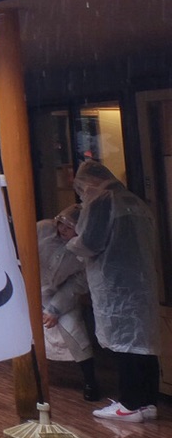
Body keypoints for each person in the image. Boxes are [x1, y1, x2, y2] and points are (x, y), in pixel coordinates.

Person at [67, 160, 161, 422]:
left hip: (115, 283)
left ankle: (128, 404)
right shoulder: (134, 201)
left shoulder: (103, 201)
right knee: (143, 343)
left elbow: (90, 242)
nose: (83, 192)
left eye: (82, 187)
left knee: (124, 344)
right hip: (141, 281)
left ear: (91, 182)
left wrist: (71, 244)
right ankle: (148, 403)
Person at [38, 205, 98, 401]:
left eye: (69, 227)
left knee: (75, 333)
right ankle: (34, 376)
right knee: (27, 336)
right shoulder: (43, 230)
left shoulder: (83, 250)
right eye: (62, 225)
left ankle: (90, 381)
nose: (63, 230)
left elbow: (78, 283)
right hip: (31, 290)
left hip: (60, 294)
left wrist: (55, 308)